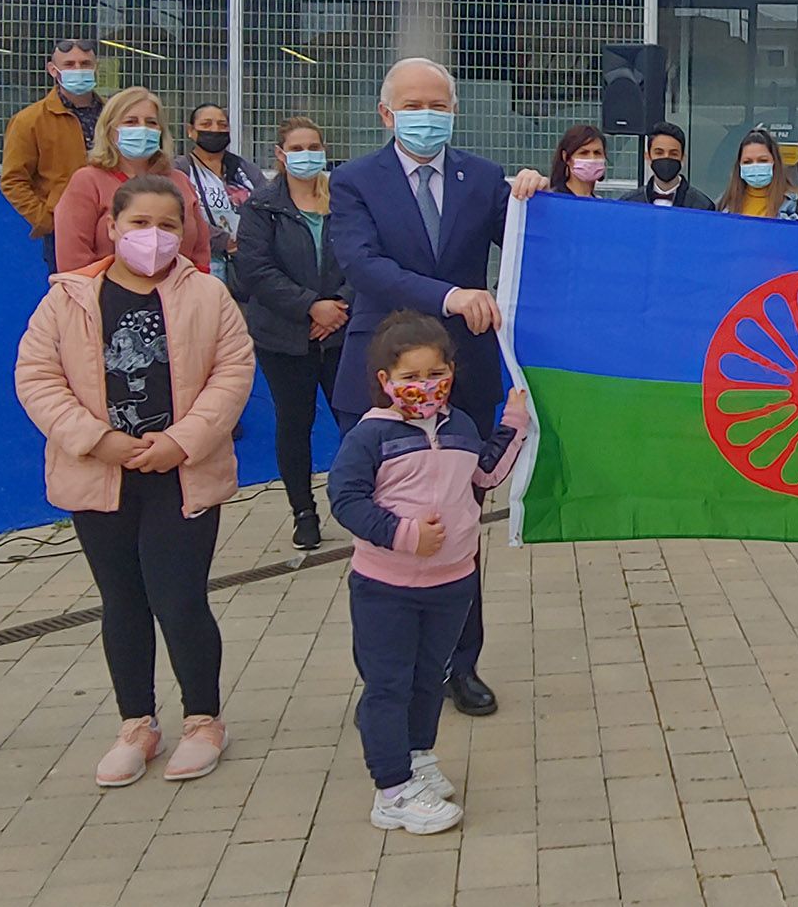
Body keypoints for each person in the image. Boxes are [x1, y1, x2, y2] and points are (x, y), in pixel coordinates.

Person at [16, 174, 254, 786]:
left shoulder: (208, 296)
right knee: (122, 601)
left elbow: (232, 374)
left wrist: (181, 441)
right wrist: (98, 440)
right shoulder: (67, 299)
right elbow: (37, 377)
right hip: (100, 476)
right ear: (113, 228)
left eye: (169, 225)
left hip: (181, 475)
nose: (154, 237)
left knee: (179, 599)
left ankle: (203, 720)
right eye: (140, 224)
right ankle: (137, 723)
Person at [330, 57, 544, 718]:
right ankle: (385, 672)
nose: (428, 115)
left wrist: (542, 194)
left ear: (454, 110)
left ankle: (462, 662)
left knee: (459, 524)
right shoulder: (355, 181)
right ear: (387, 113)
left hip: (465, 380)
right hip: (382, 378)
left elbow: (524, 241)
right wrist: (451, 297)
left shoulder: (479, 177)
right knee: (384, 526)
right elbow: (363, 264)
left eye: (439, 103)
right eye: (413, 104)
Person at [329, 312, 530, 833]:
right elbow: (345, 499)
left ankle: (417, 758)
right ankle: (391, 790)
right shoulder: (369, 436)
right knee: (388, 684)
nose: (426, 387)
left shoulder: (460, 425)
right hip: (385, 587)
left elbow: (484, 474)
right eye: (411, 377)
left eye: (437, 373)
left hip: (451, 582)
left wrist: (514, 425)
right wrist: (404, 535)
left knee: (428, 679)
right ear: (385, 382)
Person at [237, 117, 352, 550]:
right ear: (280, 156)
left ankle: (358, 500)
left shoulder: (345, 199)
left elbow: (366, 254)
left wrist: (339, 305)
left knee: (355, 421)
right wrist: (310, 307)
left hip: (343, 332)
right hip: (284, 337)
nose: (308, 155)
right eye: (298, 148)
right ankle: (303, 512)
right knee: (295, 424)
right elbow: (256, 271)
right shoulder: (261, 207)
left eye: (315, 146)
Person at [53, 87, 212, 274]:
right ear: (110, 130)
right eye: (131, 122)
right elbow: (73, 259)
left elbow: (201, 250)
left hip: (178, 295)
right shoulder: (87, 182)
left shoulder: (180, 181)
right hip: (104, 296)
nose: (142, 128)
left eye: (151, 122)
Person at [2, 38, 105, 273]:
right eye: (69, 64)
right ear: (53, 70)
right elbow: (13, 180)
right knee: (69, 298)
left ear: (95, 67)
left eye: (85, 63)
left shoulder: (113, 116)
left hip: (114, 225)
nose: (78, 70)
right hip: (63, 230)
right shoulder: (30, 121)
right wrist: (47, 220)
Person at [175, 103, 265, 287]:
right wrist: (225, 242)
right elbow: (180, 216)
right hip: (201, 266)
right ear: (191, 131)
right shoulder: (179, 170)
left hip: (247, 264)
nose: (215, 130)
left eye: (222, 125)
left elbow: (267, 205)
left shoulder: (246, 170)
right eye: (206, 124)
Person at [719, 130, 798, 221]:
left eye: (763, 160)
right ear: (739, 166)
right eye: (747, 162)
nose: (755, 166)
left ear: (775, 162)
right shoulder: (724, 204)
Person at [626, 122, 716, 210]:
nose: (666, 157)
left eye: (673, 154)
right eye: (659, 153)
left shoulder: (702, 207)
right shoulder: (629, 204)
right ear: (648, 157)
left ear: (683, 158)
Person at [550, 124, 610, 197]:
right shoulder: (553, 199)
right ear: (566, 157)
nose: (592, 159)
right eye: (583, 153)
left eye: (597, 152)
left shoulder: (600, 202)